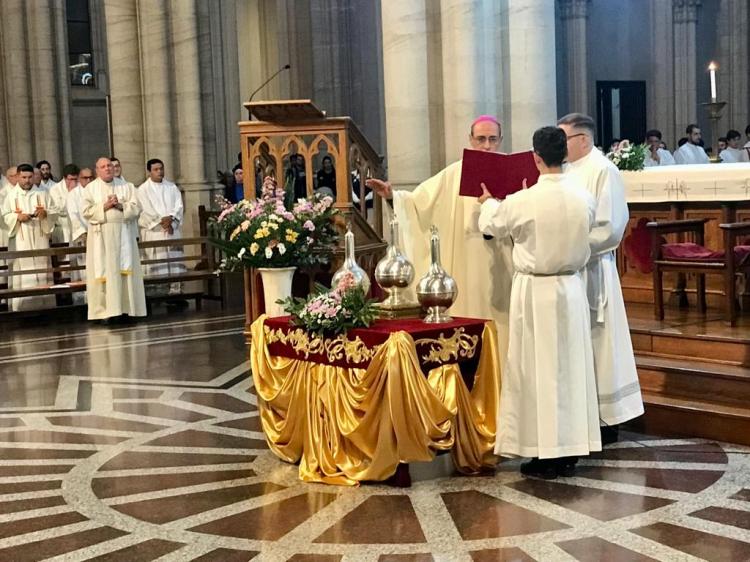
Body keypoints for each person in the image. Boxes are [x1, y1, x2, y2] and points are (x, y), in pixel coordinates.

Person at [478, 126, 601, 478]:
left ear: (535, 157)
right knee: (570, 369)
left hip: (535, 292)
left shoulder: (524, 200)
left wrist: (488, 202)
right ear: (565, 153)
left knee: (538, 372)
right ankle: (571, 448)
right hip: (571, 288)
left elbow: (495, 223)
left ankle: (546, 454)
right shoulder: (583, 196)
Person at [366, 115, 514, 360]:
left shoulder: (510, 172)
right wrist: (394, 197)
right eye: (480, 139)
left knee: (503, 327)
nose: (486, 146)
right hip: (464, 264)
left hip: (503, 266)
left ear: (500, 140)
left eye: (492, 139)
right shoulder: (454, 174)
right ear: (470, 140)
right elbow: (419, 204)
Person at [557, 113, 644, 443]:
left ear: (582, 139)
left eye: (563, 138)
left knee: (600, 342)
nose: (560, 145)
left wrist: (569, 246)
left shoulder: (603, 169)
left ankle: (608, 420)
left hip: (593, 269)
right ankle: (582, 415)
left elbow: (610, 227)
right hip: (568, 269)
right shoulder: (563, 170)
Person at [82, 157, 146, 322]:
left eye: (109, 166)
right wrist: (104, 206)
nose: (107, 169)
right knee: (105, 272)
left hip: (124, 234)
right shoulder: (90, 188)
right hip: (101, 237)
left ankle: (127, 309)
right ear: (97, 170)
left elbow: (137, 208)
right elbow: (86, 211)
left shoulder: (127, 186)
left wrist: (120, 206)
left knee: (125, 272)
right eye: (103, 167)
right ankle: (105, 312)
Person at [1, 163, 57, 310]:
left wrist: (46, 214)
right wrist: (17, 217)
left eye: (30, 177)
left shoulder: (43, 194)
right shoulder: (10, 195)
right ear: (18, 177)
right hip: (20, 240)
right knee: (22, 273)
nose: (27, 180)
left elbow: (54, 212)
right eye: (24, 177)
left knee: (42, 269)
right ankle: (22, 308)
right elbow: (3, 216)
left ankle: (45, 306)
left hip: (40, 240)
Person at [137, 158, 185, 296]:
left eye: (161, 168)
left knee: (174, 261)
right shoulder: (142, 190)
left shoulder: (172, 187)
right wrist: (162, 221)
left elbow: (179, 205)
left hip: (171, 230)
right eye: (156, 169)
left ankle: (175, 291)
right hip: (155, 231)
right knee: (158, 262)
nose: (160, 172)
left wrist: (171, 219)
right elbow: (145, 210)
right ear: (149, 172)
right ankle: (158, 292)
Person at [48, 163, 80, 244]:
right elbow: (59, 210)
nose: (73, 182)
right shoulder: (55, 189)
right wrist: (71, 193)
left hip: (78, 226)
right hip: (62, 227)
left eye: (75, 179)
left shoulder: (81, 187)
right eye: (70, 179)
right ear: (64, 178)